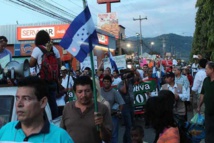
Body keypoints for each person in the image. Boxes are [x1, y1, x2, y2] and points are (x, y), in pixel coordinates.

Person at [0, 76, 74, 142]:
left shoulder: (60, 138)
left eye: (26, 98)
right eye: (17, 98)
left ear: (43, 102)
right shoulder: (5, 131)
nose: (19, 104)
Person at [60, 76, 112, 143]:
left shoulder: (102, 108)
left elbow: (107, 138)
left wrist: (101, 126)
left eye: (87, 91)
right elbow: (62, 133)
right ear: (75, 92)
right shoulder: (67, 107)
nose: (84, 95)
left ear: (92, 91)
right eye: (80, 92)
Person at [29, 30, 61, 119]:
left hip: (42, 81)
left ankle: (43, 121)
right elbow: (59, 64)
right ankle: (54, 121)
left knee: (41, 102)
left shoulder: (37, 49)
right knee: (52, 102)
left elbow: (31, 63)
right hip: (53, 81)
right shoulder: (54, 49)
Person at [101, 75, 125, 143]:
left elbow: (121, 103)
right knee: (102, 135)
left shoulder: (114, 92)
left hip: (112, 116)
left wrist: (119, 112)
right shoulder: (99, 91)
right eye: (104, 81)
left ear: (110, 83)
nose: (106, 83)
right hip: (101, 117)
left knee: (113, 135)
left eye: (108, 81)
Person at [197, 61, 214, 143]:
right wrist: (199, 106)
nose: (205, 71)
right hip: (208, 112)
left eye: (207, 69)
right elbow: (202, 94)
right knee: (208, 130)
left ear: (212, 69)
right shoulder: (206, 80)